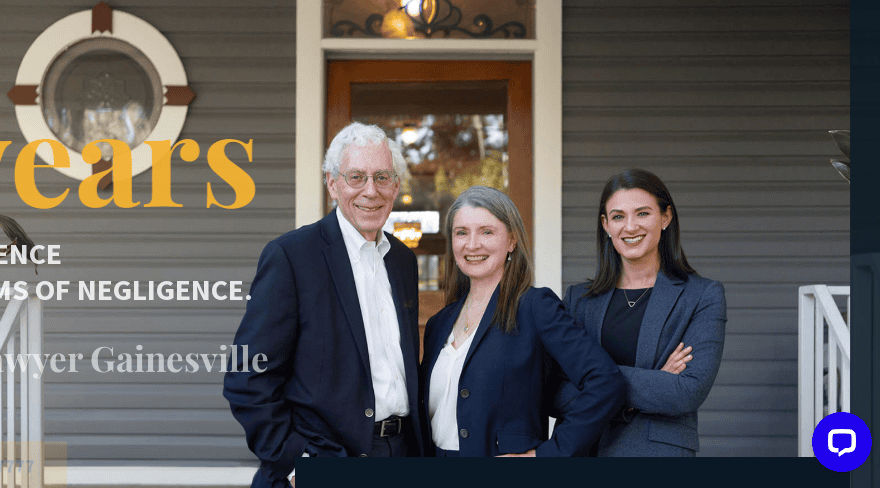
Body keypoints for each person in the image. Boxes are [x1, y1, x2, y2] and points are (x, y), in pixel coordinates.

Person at [224, 122, 423, 487]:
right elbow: (247, 376)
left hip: (401, 450)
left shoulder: (403, 262)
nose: (371, 191)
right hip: (322, 456)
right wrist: (296, 461)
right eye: (356, 177)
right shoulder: (291, 256)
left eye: (382, 177)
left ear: (396, 186)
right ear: (332, 183)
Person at [421, 185, 625, 457]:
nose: (472, 244)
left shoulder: (535, 307)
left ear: (512, 240)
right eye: (462, 233)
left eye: (487, 231)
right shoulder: (439, 324)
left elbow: (606, 382)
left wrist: (548, 455)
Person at [557, 169, 727, 456]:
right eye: (618, 216)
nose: (630, 227)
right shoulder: (578, 299)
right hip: (585, 452)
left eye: (643, 213)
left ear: (666, 217)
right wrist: (654, 379)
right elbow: (555, 391)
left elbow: (686, 392)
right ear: (606, 225)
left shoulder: (702, 296)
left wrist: (593, 381)